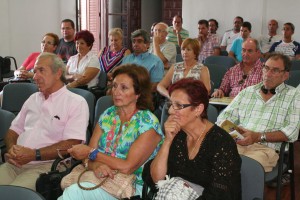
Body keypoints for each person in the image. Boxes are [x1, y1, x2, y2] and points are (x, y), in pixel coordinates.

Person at [58, 64, 164, 200]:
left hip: (132, 186)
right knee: (73, 193)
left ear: (138, 93)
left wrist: (92, 153)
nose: (116, 92)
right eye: (114, 86)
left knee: (74, 193)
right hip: (99, 177)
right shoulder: (108, 115)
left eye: (124, 88)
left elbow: (127, 167)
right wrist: (96, 165)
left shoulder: (148, 123)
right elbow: (87, 157)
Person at [0, 52, 89, 190]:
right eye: (35, 71)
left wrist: (34, 154)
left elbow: (72, 143)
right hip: (15, 163)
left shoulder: (76, 102)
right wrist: (12, 149)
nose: (35, 76)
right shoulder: (33, 99)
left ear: (58, 73)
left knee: (12, 194)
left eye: (41, 70)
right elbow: (13, 130)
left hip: (46, 167)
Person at [147, 78, 241, 199]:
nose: (170, 111)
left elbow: (220, 194)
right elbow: (156, 179)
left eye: (178, 105)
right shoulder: (177, 135)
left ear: (198, 109)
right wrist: (167, 141)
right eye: (170, 104)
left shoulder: (221, 143)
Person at [216, 53, 300, 172]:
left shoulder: (294, 95)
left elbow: (292, 132)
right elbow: (223, 118)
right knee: (213, 159)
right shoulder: (248, 92)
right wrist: (235, 131)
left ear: (285, 75)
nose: (268, 74)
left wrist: (258, 136)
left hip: (266, 149)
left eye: (275, 70)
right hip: (238, 142)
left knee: (243, 169)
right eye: (266, 68)